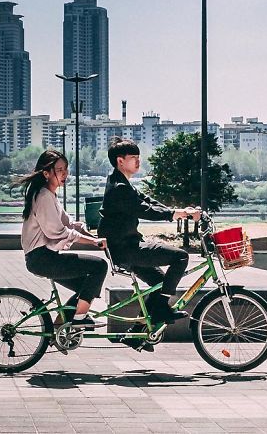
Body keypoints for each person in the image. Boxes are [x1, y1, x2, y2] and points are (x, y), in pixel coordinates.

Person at [98, 137, 200, 345]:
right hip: (126, 248)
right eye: (133, 158)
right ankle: (161, 308)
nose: (138, 161)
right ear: (120, 161)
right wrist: (174, 214)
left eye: (138, 157)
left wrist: (177, 211)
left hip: (126, 246)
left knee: (160, 283)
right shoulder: (120, 187)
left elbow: (147, 201)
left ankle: (136, 333)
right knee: (180, 257)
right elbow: (143, 210)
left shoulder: (120, 181)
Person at [15, 149, 108, 329]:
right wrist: (93, 242)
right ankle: (79, 319)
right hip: (42, 258)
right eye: (59, 170)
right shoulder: (43, 197)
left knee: (88, 286)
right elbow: (57, 232)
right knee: (99, 266)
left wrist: (96, 238)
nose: (65, 173)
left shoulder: (50, 195)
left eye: (66, 169)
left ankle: (59, 327)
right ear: (46, 173)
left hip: (44, 258)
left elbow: (71, 224)